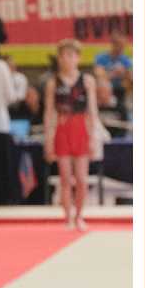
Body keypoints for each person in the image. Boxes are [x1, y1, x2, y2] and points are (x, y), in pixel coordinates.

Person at [43, 38, 102, 231]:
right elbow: (49, 112)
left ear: (78, 58)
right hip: (62, 130)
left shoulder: (87, 81)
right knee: (65, 179)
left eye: (71, 55)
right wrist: (48, 139)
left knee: (82, 179)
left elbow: (92, 111)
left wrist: (94, 138)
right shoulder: (53, 82)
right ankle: (68, 217)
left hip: (81, 129)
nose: (67, 59)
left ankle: (79, 216)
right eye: (63, 56)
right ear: (59, 59)